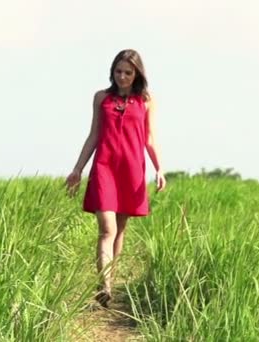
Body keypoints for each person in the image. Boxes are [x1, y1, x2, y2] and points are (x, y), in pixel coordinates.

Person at [66, 49, 166, 307]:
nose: (122, 76)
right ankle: (105, 286)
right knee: (106, 229)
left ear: (137, 74)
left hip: (131, 170)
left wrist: (159, 169)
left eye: (128, 73)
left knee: (120, 230)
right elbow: (94, 135)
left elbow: (150, 139)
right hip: (104, 168)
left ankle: (109, 283)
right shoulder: (101, 98)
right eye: (118, 71)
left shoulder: (146, 100)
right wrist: (77, 168)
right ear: (112, 72)